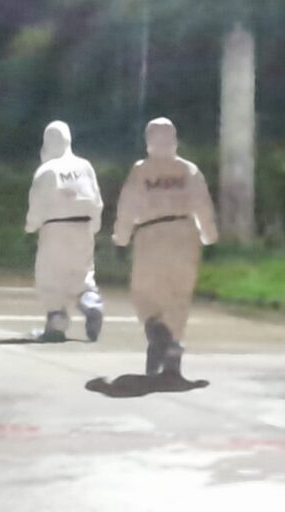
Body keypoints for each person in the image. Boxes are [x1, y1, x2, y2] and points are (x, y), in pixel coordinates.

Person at [113, 117, 218, 379]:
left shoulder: (141, 171)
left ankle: (156, 330)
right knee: (178, 295)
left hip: (150, 235)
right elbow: (203, 206)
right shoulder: (189, 170)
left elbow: (127, 206)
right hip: (184, 235)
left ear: (148, 141)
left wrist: (121, 238)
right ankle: (172, 349)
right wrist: (209, 237)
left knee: (144, 291)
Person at [25, 121, 105, 343]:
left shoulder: (46, 170)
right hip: (83, 228)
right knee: (82, 273)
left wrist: (31, 225)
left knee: (51, 276)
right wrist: (94, 226)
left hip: (54, 230)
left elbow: (36, 204)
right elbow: (96, 200)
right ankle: (90, 302)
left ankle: (56, 323)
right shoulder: (85, 166)